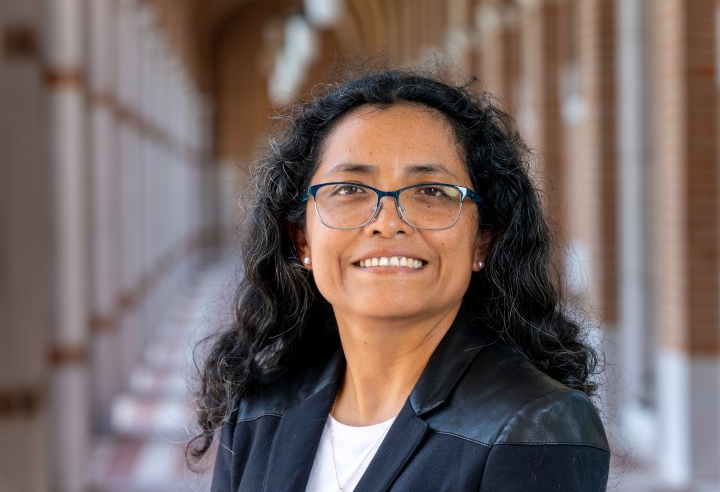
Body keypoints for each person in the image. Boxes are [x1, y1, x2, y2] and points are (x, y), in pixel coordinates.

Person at [188, 67, 610, 491]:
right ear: (302, 240)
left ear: (482, 240)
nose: (388, 222)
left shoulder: (539, 426)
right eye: (349, 189)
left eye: (432, 192)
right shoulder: (258, 411)